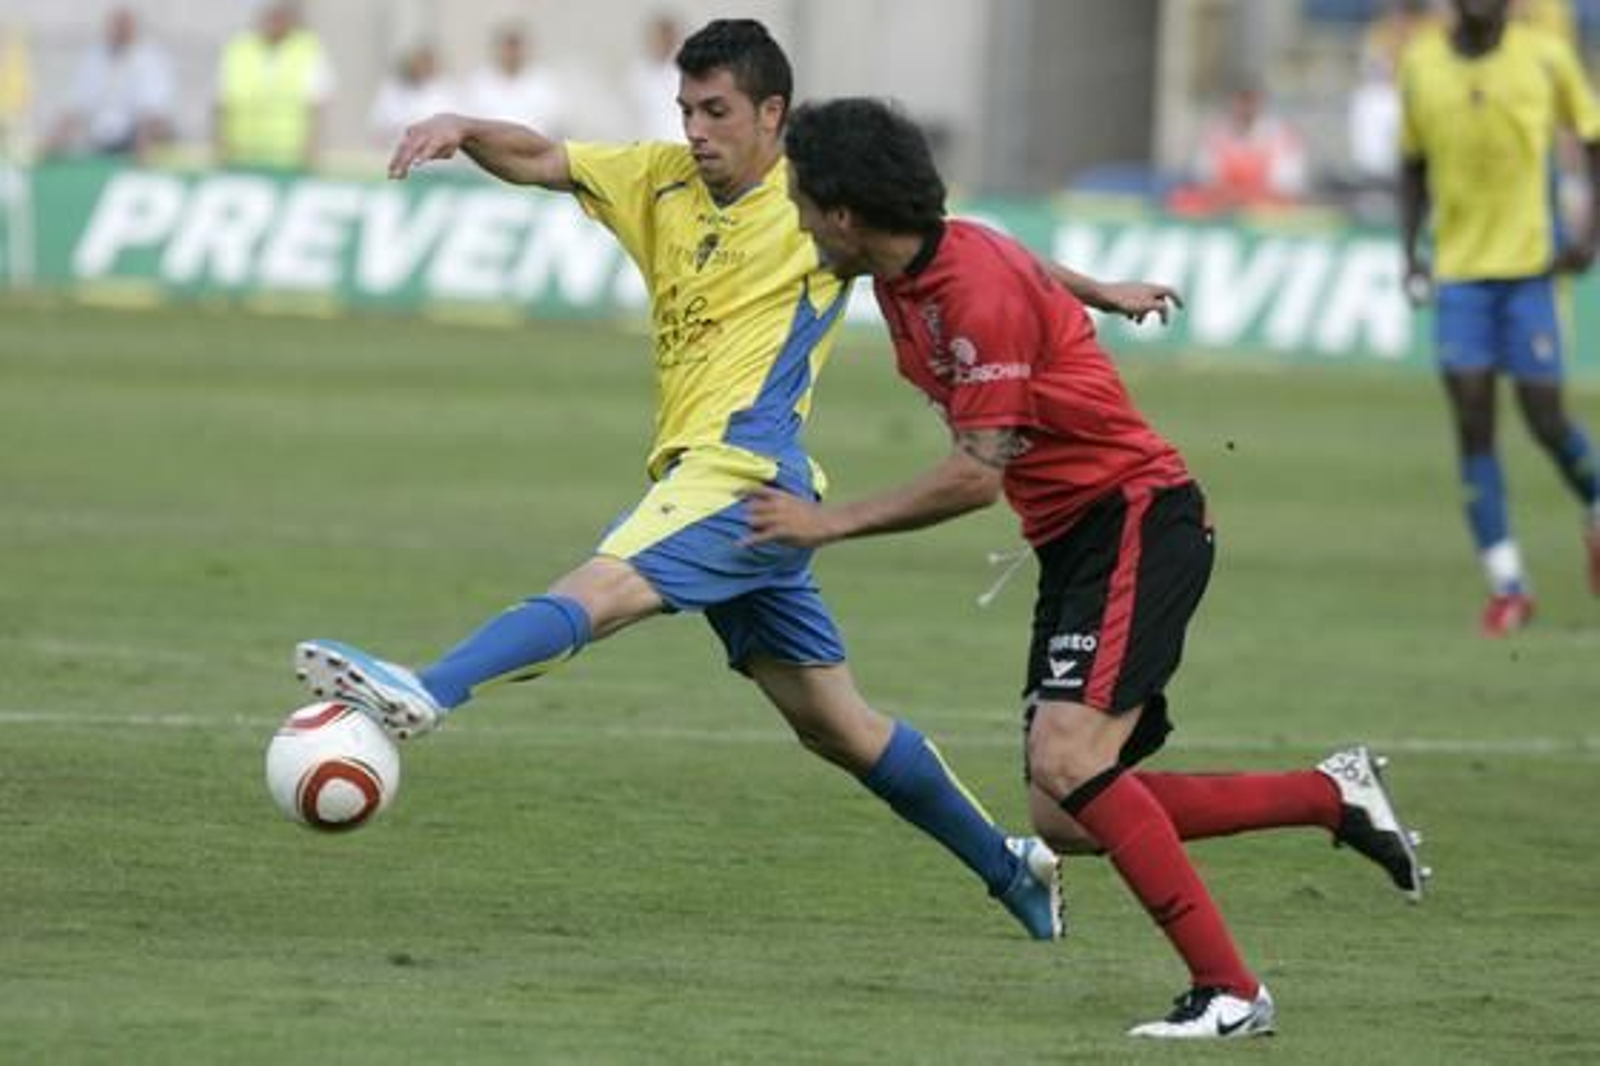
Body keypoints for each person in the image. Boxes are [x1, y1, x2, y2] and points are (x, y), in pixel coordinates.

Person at [294, 19, 1069, 943]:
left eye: (717, 111)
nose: (697, 129)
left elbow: (959, 249)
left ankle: (428, 690)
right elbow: (542, 155)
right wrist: (462, 125)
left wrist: (1097, 293)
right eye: (687, 110)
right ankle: (1011, 867)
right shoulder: (659, 176)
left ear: (771, 114)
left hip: (739, 471)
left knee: (608, 580)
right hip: (740, 497)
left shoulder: (818, 202)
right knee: (838, 728)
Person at [757, 96, 1430, 1039]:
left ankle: (1231, 990)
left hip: (1134, 519)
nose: (791, 212)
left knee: (1071, 763)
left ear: (843, 214)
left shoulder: (967, 290)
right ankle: (1330, 795)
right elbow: (1024, 265)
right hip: (1076, 537)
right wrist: (1102, 291)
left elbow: (975, 476)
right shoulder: (925, 263)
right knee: (1068, 811)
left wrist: (822, 524)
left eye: (798, 196)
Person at [1398, 0, 1600, 636]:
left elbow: (1592, 136)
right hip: (1459, 276)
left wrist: (1588, 236)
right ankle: (1508, 584)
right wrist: (1409, 253)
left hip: (1530, 270)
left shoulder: (1545, 56)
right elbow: (1412, 165)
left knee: (1545, 417)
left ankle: (1596, 504)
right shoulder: (1421, 63)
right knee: (1474, 424)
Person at [213, 0, 334, 171]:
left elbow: (316, 105)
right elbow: (221, 103)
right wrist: (220, 144)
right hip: (241, 155)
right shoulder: (238, 48)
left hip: (290, 158)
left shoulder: (307, 48)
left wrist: (311, 148)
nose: (274, 21)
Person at [43, 6, 175, 161]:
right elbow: (76, 106)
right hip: (99, 140)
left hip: (133, 139)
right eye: (115, 27)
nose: (119, 32)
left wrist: (144, 142)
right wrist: (54, 140)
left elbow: (155, 113)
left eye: (123, 27)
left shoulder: (150, 60)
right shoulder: (94, 58)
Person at [1168, 82, 1307, 217]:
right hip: (1224, 209)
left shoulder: (1281, 136)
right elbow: (1205, 180)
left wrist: (1246, 198)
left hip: (1265, 212)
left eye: (1250, 101)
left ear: (1260, 103)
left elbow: (1286, 189)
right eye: (1240, 100)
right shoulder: (1215, 134)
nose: (1245, 108)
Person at [463, 23, 571, 136]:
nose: (512, 53)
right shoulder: (479, 83)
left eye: (516, 47)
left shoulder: (544, 81)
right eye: (508, 47)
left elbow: (556, 123)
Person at [367, 42, 457, 148]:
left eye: (425, 64)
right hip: (397, 151)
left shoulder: (444, 90)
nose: (420, 68)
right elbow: (378, 122)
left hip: (436, 156)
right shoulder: (392, 89)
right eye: (417, 63)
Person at [627, 12, 685, 142]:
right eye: (658, 38)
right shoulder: (638, 72)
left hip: (680, 141)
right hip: (648, 141)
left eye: (666, 38)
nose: (661, 43)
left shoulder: (686, 70)